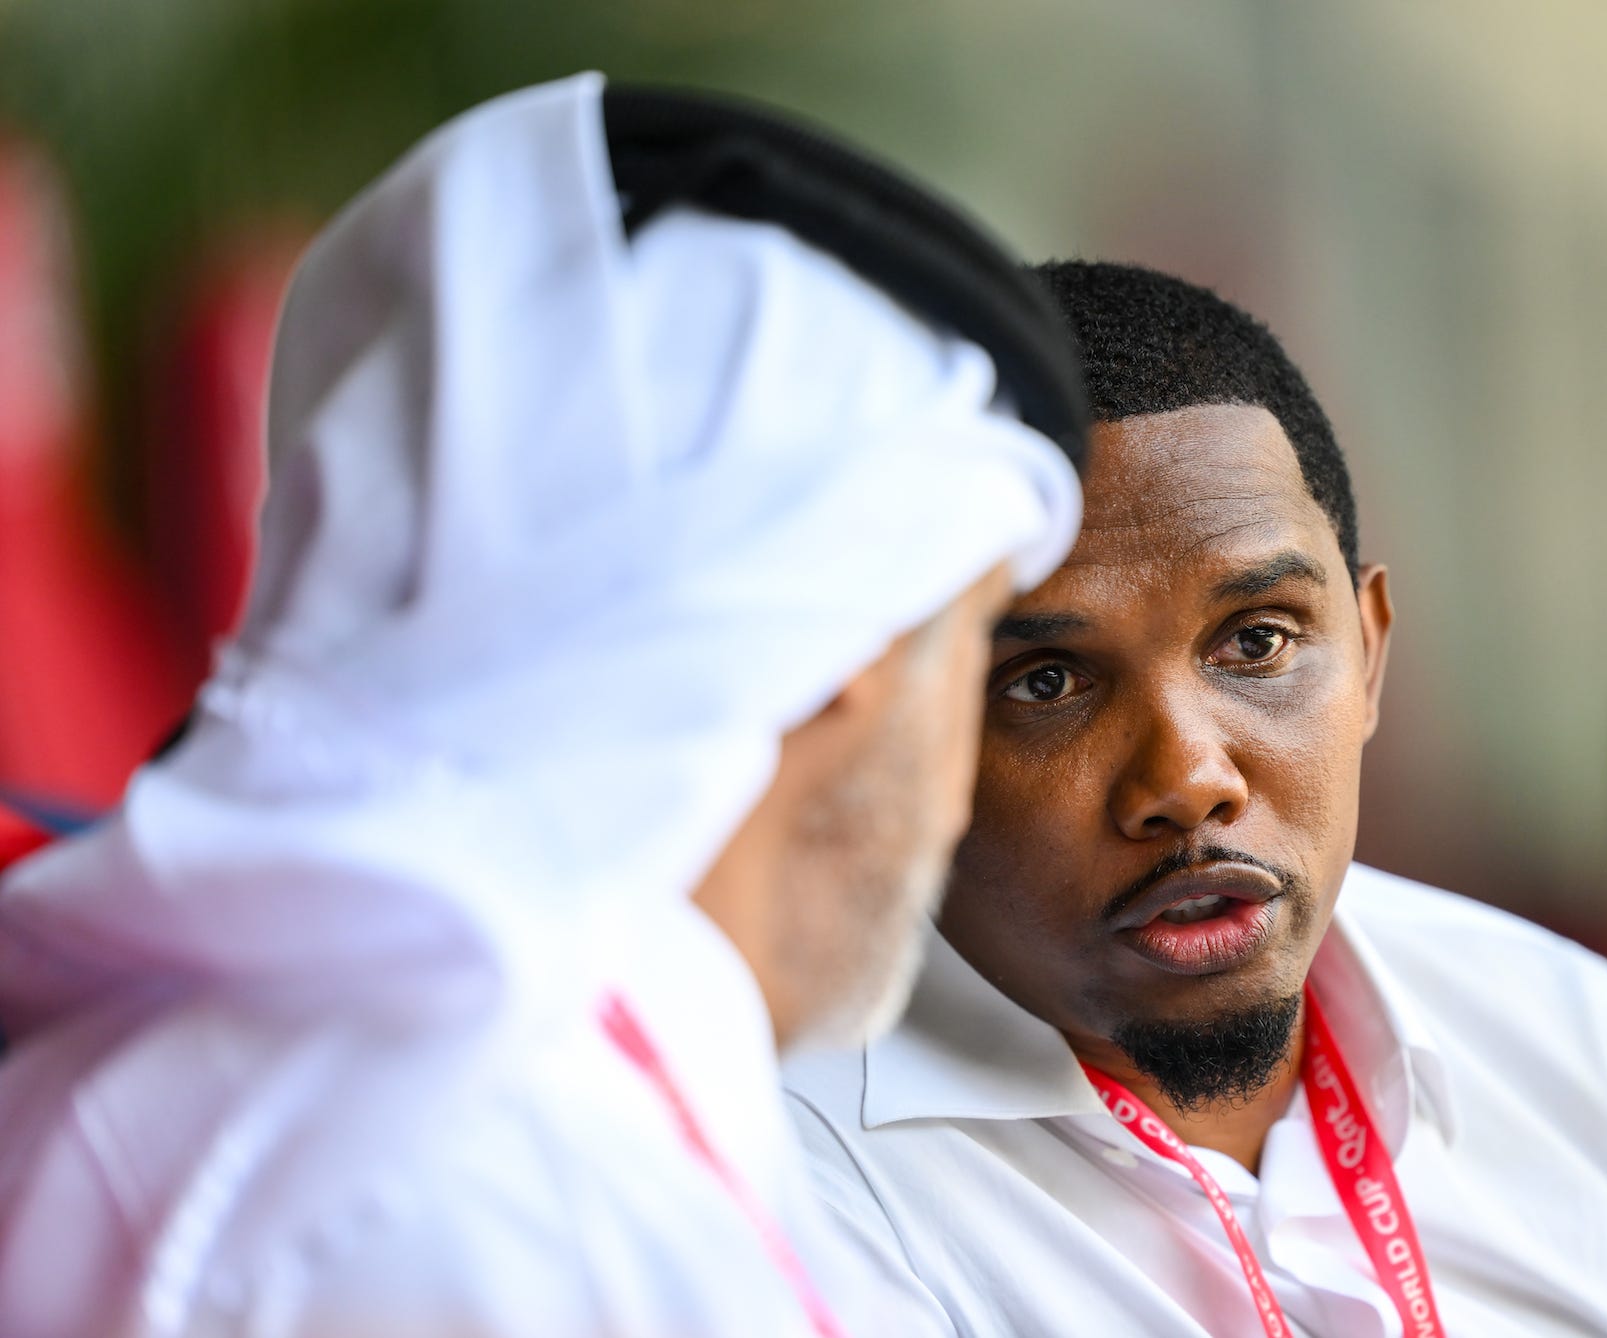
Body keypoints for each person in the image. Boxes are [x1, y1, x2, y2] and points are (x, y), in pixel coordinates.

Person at [0, 74, 1086, 1337]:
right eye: (975, 646)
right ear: (849, 636)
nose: (966, 778)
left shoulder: (249, 1054)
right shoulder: (517, 1210)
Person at [784, 260, 1607, 1336]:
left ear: (1368, 655)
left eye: (1258, 642)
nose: (1186, 781)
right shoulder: (785, 1195)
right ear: (901, 732)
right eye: (1045, 683)